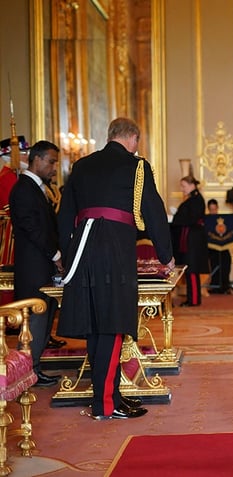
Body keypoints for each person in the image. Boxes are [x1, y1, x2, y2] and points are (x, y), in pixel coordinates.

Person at [57, 117, 175, 420]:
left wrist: (63, 255)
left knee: (97, 326)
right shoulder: (137, 166)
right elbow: (154, 211)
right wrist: (166, 255)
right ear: (133, 138)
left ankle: (110, 395)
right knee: (111, 325)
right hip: (113, 252)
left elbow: (65, 213)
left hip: (82, 252)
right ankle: (106, 404)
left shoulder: (82, 165)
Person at [8, 140, 62, 386]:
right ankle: (28, 371)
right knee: (35, 323)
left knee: (42, 322)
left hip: (42, 266)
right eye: (51, 162)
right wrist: (56, 255)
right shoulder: (23, 189)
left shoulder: (37, 187)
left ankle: (33, 368)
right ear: (36, 159)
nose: (54, 168)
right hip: (33, 268)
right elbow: (33, 229)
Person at [171, 176, 209, 306]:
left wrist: (175, 219)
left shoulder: (196, 200)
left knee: (192, 268)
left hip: (193, 239)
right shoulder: (194, 199)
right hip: (191, 237)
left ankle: (194, 300)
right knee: (190, 268)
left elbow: (191, 219)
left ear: (192, 185)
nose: (182, 189)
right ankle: (192, 298)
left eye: (183, 186)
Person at [206, 198, 232, 294]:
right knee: (214, 264)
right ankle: (216, 286)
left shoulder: (223, 219)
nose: (213, 211)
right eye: (211, 209)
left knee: (226, 262)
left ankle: (225, 286)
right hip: (212, 248)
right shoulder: (207, 220)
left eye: (214, 209)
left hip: (223, 247)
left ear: (217, 208)